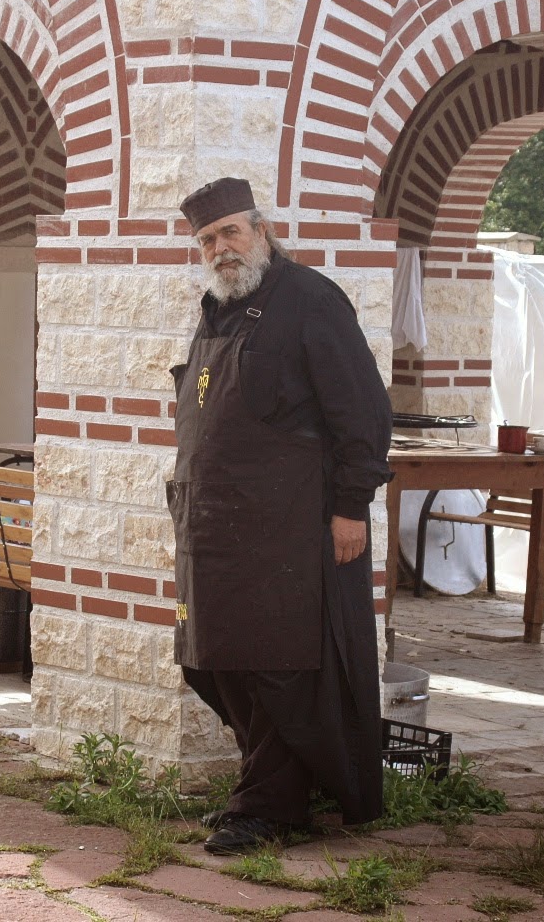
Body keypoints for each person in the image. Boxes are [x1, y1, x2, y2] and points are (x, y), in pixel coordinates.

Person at [167, 177, 394, 855]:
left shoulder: (312, 302)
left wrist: (352, 508)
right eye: (207, 239)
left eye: (230, 232)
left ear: (261, 231)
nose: (220, 248)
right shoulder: (218, 306)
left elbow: (364, 414)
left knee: (282, 670)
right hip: (216, 531)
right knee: (216, 662)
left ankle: (265, 807)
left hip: (291, 529)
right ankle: (272, 794)